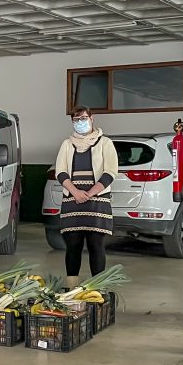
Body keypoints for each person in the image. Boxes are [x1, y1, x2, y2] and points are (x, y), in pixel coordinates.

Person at [54, 106, 118, 288]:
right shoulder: (67, 144)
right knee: (72, 244)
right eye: (76, 120)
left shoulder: (105, 143)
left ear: (92, 118)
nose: (80, 122)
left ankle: (97, 289)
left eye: (83, 118)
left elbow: (110, 172)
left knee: (95, 244)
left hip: (97, 202)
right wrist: (75, 192)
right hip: (72, 201)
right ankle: (72, 287)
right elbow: (60, 172)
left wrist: (89, 193)